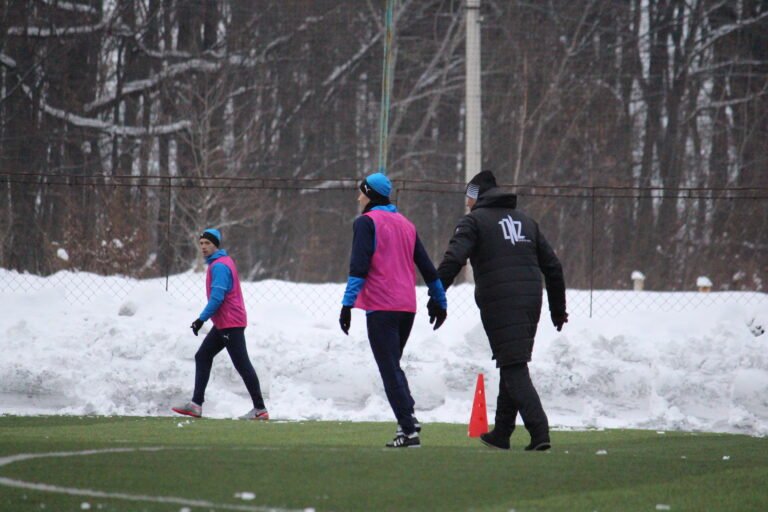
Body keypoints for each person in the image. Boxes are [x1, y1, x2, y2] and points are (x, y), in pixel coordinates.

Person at [435, 170, 567, 451]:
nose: (467, 202)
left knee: (514, 366)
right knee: (512, 360)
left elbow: (454, 258)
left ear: (477, 195)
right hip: (531, 299)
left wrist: (437, 293)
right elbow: (553, 267)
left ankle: (539, 431)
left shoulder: (473, 222)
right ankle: (503, 432)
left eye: (469, 195)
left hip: (500, 300)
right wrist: (558, 309)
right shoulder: (527, 222)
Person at [339, 172, 447, 448]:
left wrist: (347, 304)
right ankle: (408, 419)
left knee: (389, 369)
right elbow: (427, 267)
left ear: (369, 194)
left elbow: (359, 266)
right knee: (393, 366)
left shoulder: (365, 222)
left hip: (381, 306)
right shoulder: (406, 224)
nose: (358, 198)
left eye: (361, 192)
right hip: (406, 307)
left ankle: (408, 430)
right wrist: (440, 300)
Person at [172, 228, 268, 421]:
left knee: (242, 364)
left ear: (216, 244)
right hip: (226, 323)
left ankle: (259, 409)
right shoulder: (220, 262)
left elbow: (217, 297)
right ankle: (196, 404)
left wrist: (201, 319)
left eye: (207, 243)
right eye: (201, 243)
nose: (203, 247)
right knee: (203, 355)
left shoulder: (220, 266)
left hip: (230, 323)